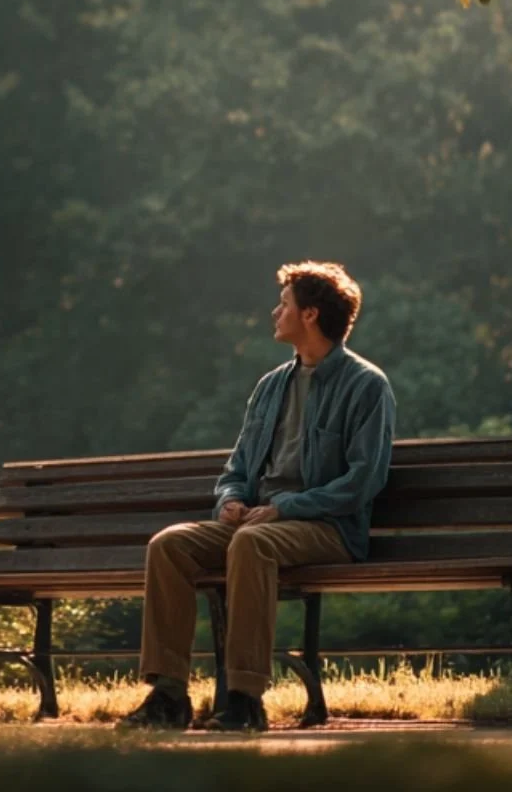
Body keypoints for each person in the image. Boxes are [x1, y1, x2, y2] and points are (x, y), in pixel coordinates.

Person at [118, 260, 396, 732]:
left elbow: (363, 480)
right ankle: (169, 696)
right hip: (258, 522)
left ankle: (244, 699)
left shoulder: (366, 385)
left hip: (327, 528)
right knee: (169, 544)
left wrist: (285, 507)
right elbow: (239, 467)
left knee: (251, 543)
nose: (275, 312)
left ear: (309, 314)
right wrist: (230, 498)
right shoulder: (270, 387)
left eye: (284, 304)